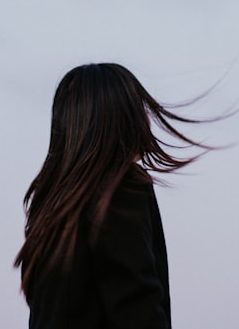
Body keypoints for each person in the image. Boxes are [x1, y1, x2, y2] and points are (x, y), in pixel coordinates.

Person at [14, 63, 225, 329]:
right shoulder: (120, 187)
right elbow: (137, 307)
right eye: (139, 105)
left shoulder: (52, 205)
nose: (147, 116)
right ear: (121, 117)